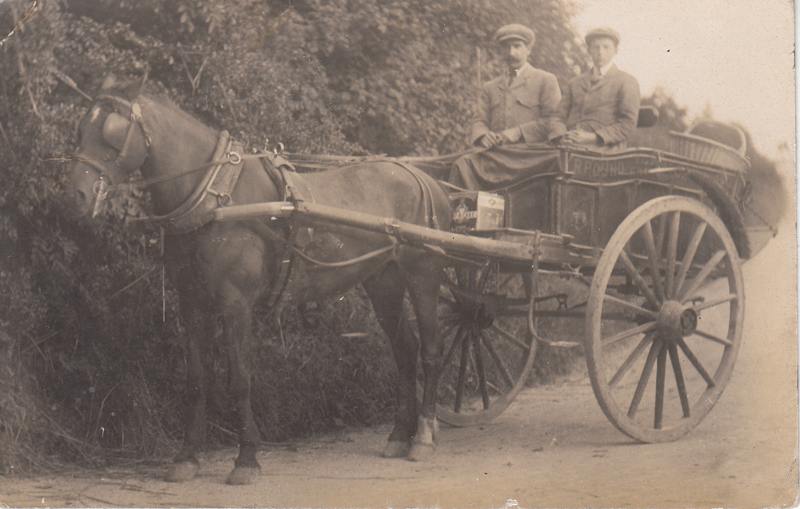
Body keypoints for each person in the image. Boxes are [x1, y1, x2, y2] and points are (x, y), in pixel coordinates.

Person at [469, 24, 562, 148]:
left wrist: (518, 132)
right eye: (506, 48)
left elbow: (553, 120)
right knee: (462, 164)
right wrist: (483, 136)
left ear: (528, 50)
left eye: (517, 46)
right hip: (496, 153)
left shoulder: (545, 80)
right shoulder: (490, 87)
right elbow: (479, 120)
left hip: (532, 155)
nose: (511, 53)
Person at [550, 27, 641, 150]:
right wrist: (561, 135)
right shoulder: (575, 83)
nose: (600, 52)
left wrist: (593, 137)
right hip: (568, 144)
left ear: (616, 50)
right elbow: (558, 117)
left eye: (606, 47)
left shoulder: (626, 82)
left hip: (605, 148)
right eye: (595, 47)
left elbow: (627, 124)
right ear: (589, 50)